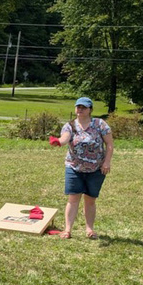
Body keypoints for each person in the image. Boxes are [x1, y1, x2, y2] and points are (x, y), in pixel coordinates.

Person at [51, 97, 113, 239]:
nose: (80, 109)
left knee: (90, 200)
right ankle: (67, 230)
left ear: (90, 109)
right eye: (78, 107)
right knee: (73, 199)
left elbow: (109, 145)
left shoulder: (100, 124)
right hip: (74, 167)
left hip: (96, 169)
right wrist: (58, 142)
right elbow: (65, 138)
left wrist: (107, 162)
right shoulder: (70, 125)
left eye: (83, 107)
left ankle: (89, 230)